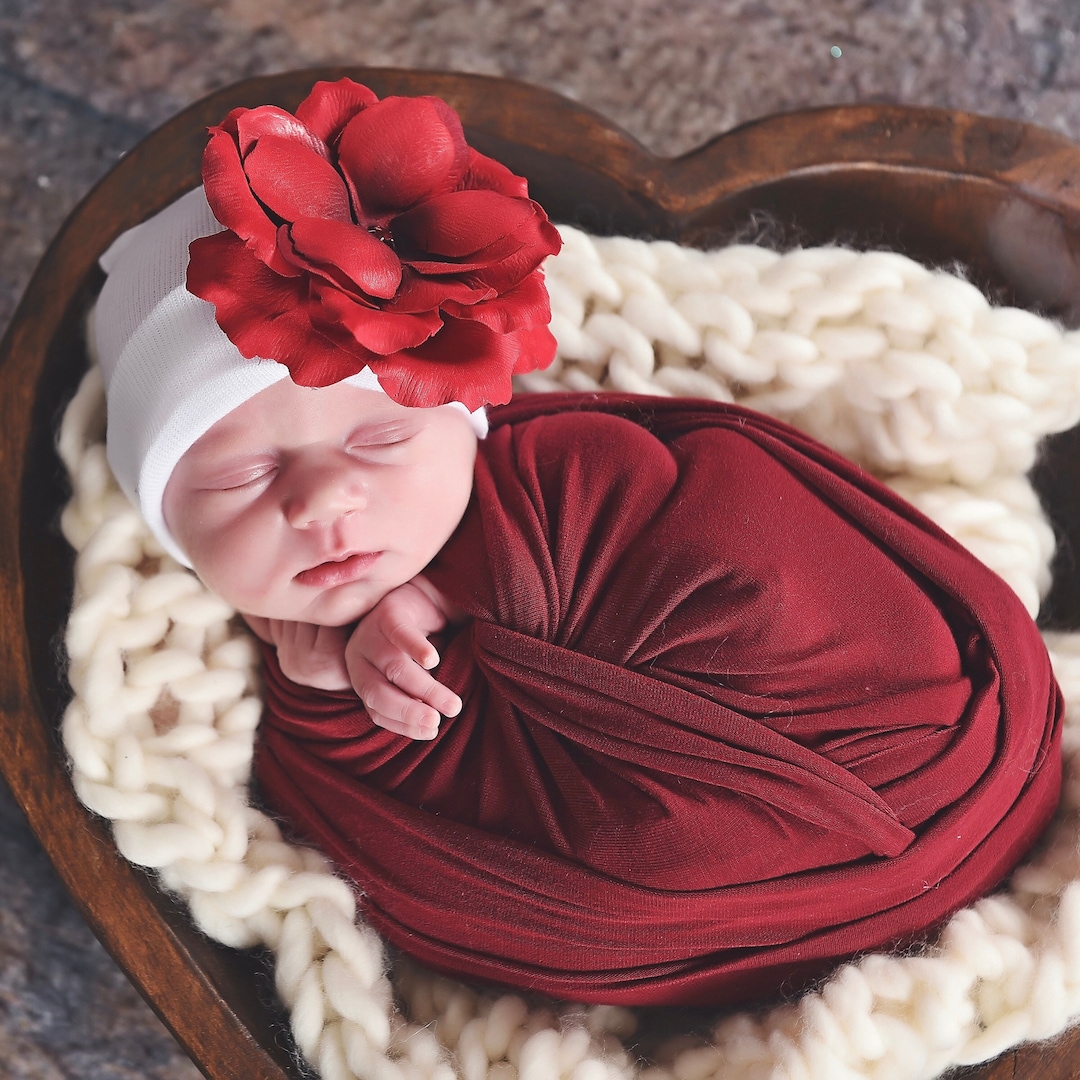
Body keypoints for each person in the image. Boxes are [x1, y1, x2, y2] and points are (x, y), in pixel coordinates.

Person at [92, 78, 1063, 1007]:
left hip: (915, 741)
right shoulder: (284, 676)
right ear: (169, 534)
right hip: (702, 922)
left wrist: (455, 586)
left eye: (380, 434)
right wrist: (330, 703)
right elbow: (391, 843)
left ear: (465, 414)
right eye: (236, 481)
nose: (324, 499)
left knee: (779, 592)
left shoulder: (567, 469)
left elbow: (713, 515)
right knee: (596, 872)